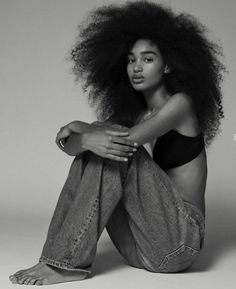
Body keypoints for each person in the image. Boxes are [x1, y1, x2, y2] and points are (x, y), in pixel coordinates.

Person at [9, 0, 225, 286]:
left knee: (109, 137)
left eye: (148, 59)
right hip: (140, 248)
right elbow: (76, 147)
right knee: (101, 139)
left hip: (179, 244)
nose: (137, 67)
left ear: (168, 64)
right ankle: (58, 259)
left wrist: (81, 129)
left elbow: (125, 141)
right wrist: (84, 137)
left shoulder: (180, 104)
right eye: (131, 59)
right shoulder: (132, 113)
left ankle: (65, 263)